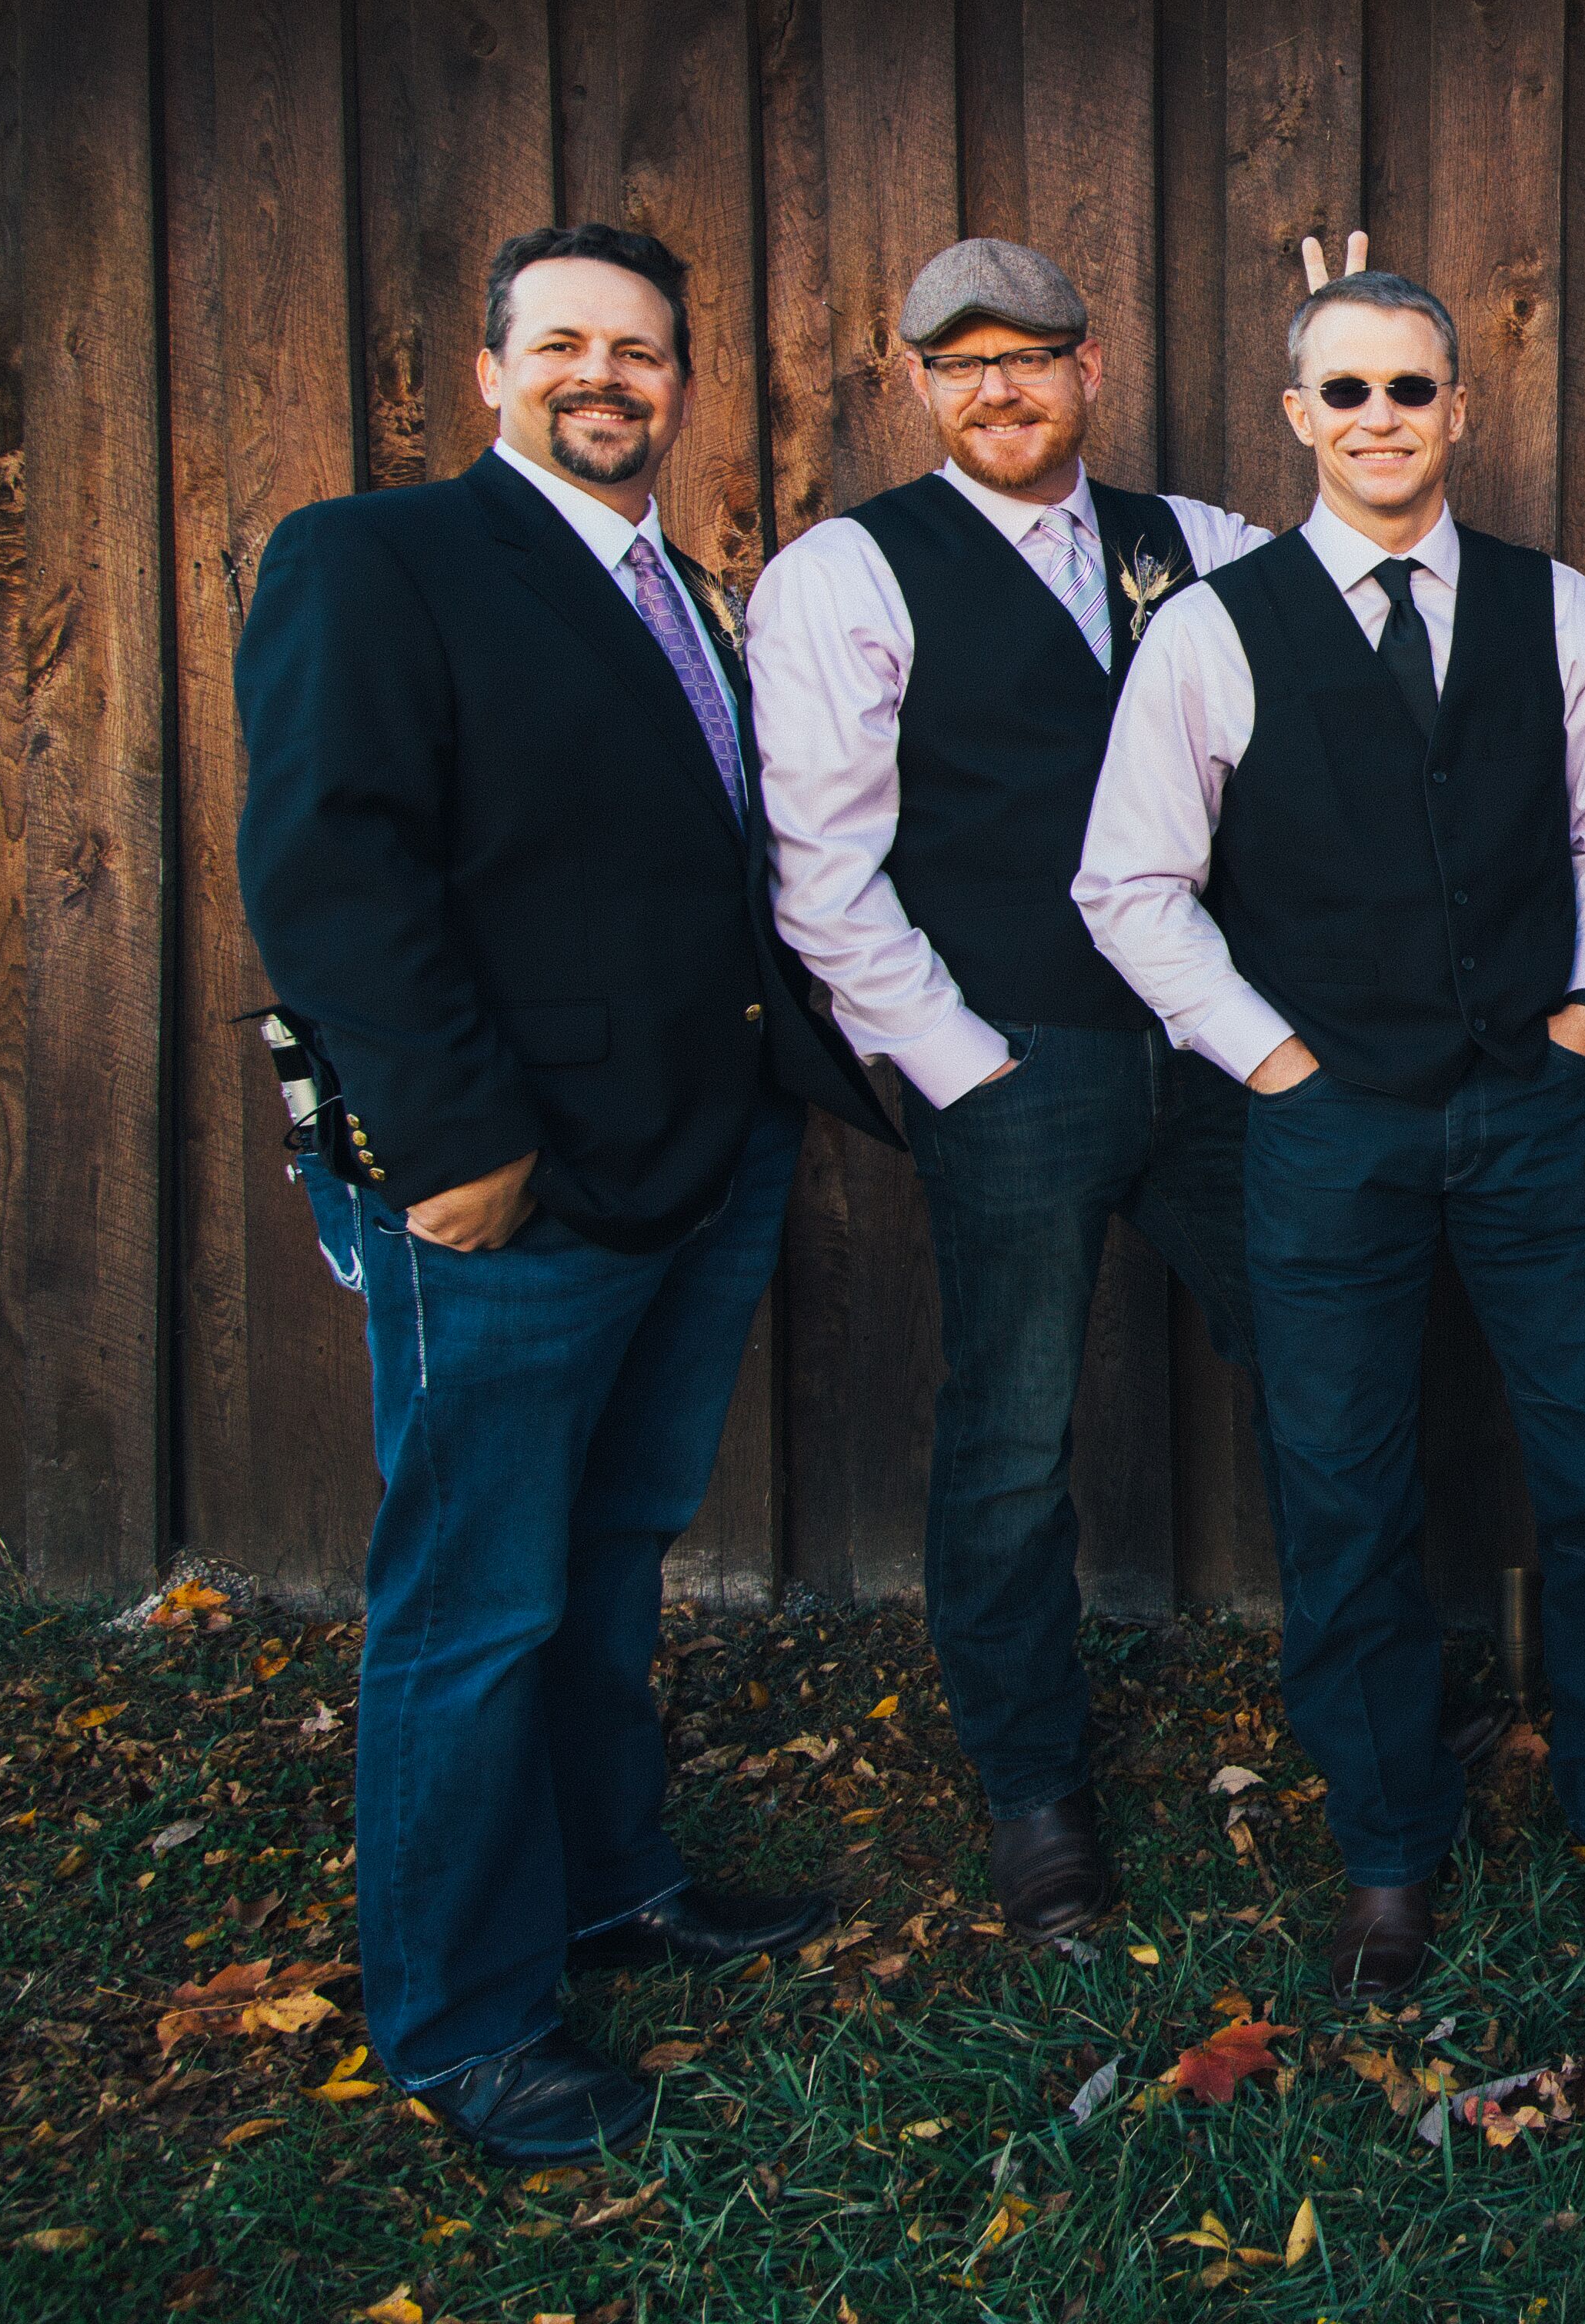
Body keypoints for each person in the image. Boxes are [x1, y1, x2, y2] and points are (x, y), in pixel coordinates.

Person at [234, 223, 893, 2162]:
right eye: (567, 344)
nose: (607, 376)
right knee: (475, 1606)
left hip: (698, 1160)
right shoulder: (378, 559)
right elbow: (332, 868)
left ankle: (613, 1881)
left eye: (642, 352)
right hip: (508, 1191)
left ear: (681, 385)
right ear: (490, 370)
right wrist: (446, 1146)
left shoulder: (678, 585)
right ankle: (465, 2017)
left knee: (610, 1559)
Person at [1075, 261, 1585, 2001]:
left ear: (1457, 411)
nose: (1379, 421)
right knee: (1340, 1484)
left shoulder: (1547, 605)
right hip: (1322, 1127)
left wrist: (1584, 1014)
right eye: (1344, 392)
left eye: (1410, 390)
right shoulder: (1212, 625)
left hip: (1528, 1108)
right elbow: (1130, 885)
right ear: (1297, 416)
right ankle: (1389, 1847)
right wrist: (1268, 1060)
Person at [747, 234, 1272, 1945]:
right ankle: (1035, 1791)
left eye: (1029, 354)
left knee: (1332, 1346)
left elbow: (1354, 564)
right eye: (959, 362)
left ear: (1090, 366)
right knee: (1011, 1434)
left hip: (1210, 1048)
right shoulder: (847, 573)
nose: (998, 387)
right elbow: (823, 872)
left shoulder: (1190, 545)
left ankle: (1388, 1695)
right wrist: (962, 1069)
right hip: (1013, 1056)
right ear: (914, 384)